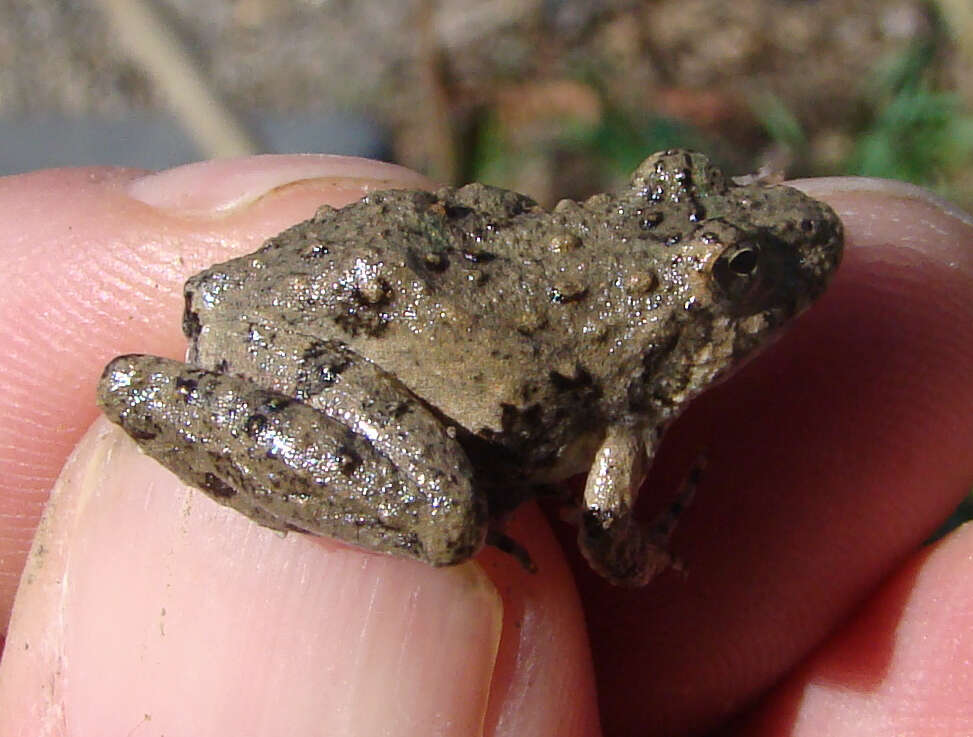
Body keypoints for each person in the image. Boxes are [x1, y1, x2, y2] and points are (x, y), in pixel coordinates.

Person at [0, 155, 969, 736]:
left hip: (317, 290)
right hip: (318, 346)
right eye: (742, 275)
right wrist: (648, 547)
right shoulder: (629, 406)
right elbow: (604, 534)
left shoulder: (596, 289)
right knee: (446, 512)